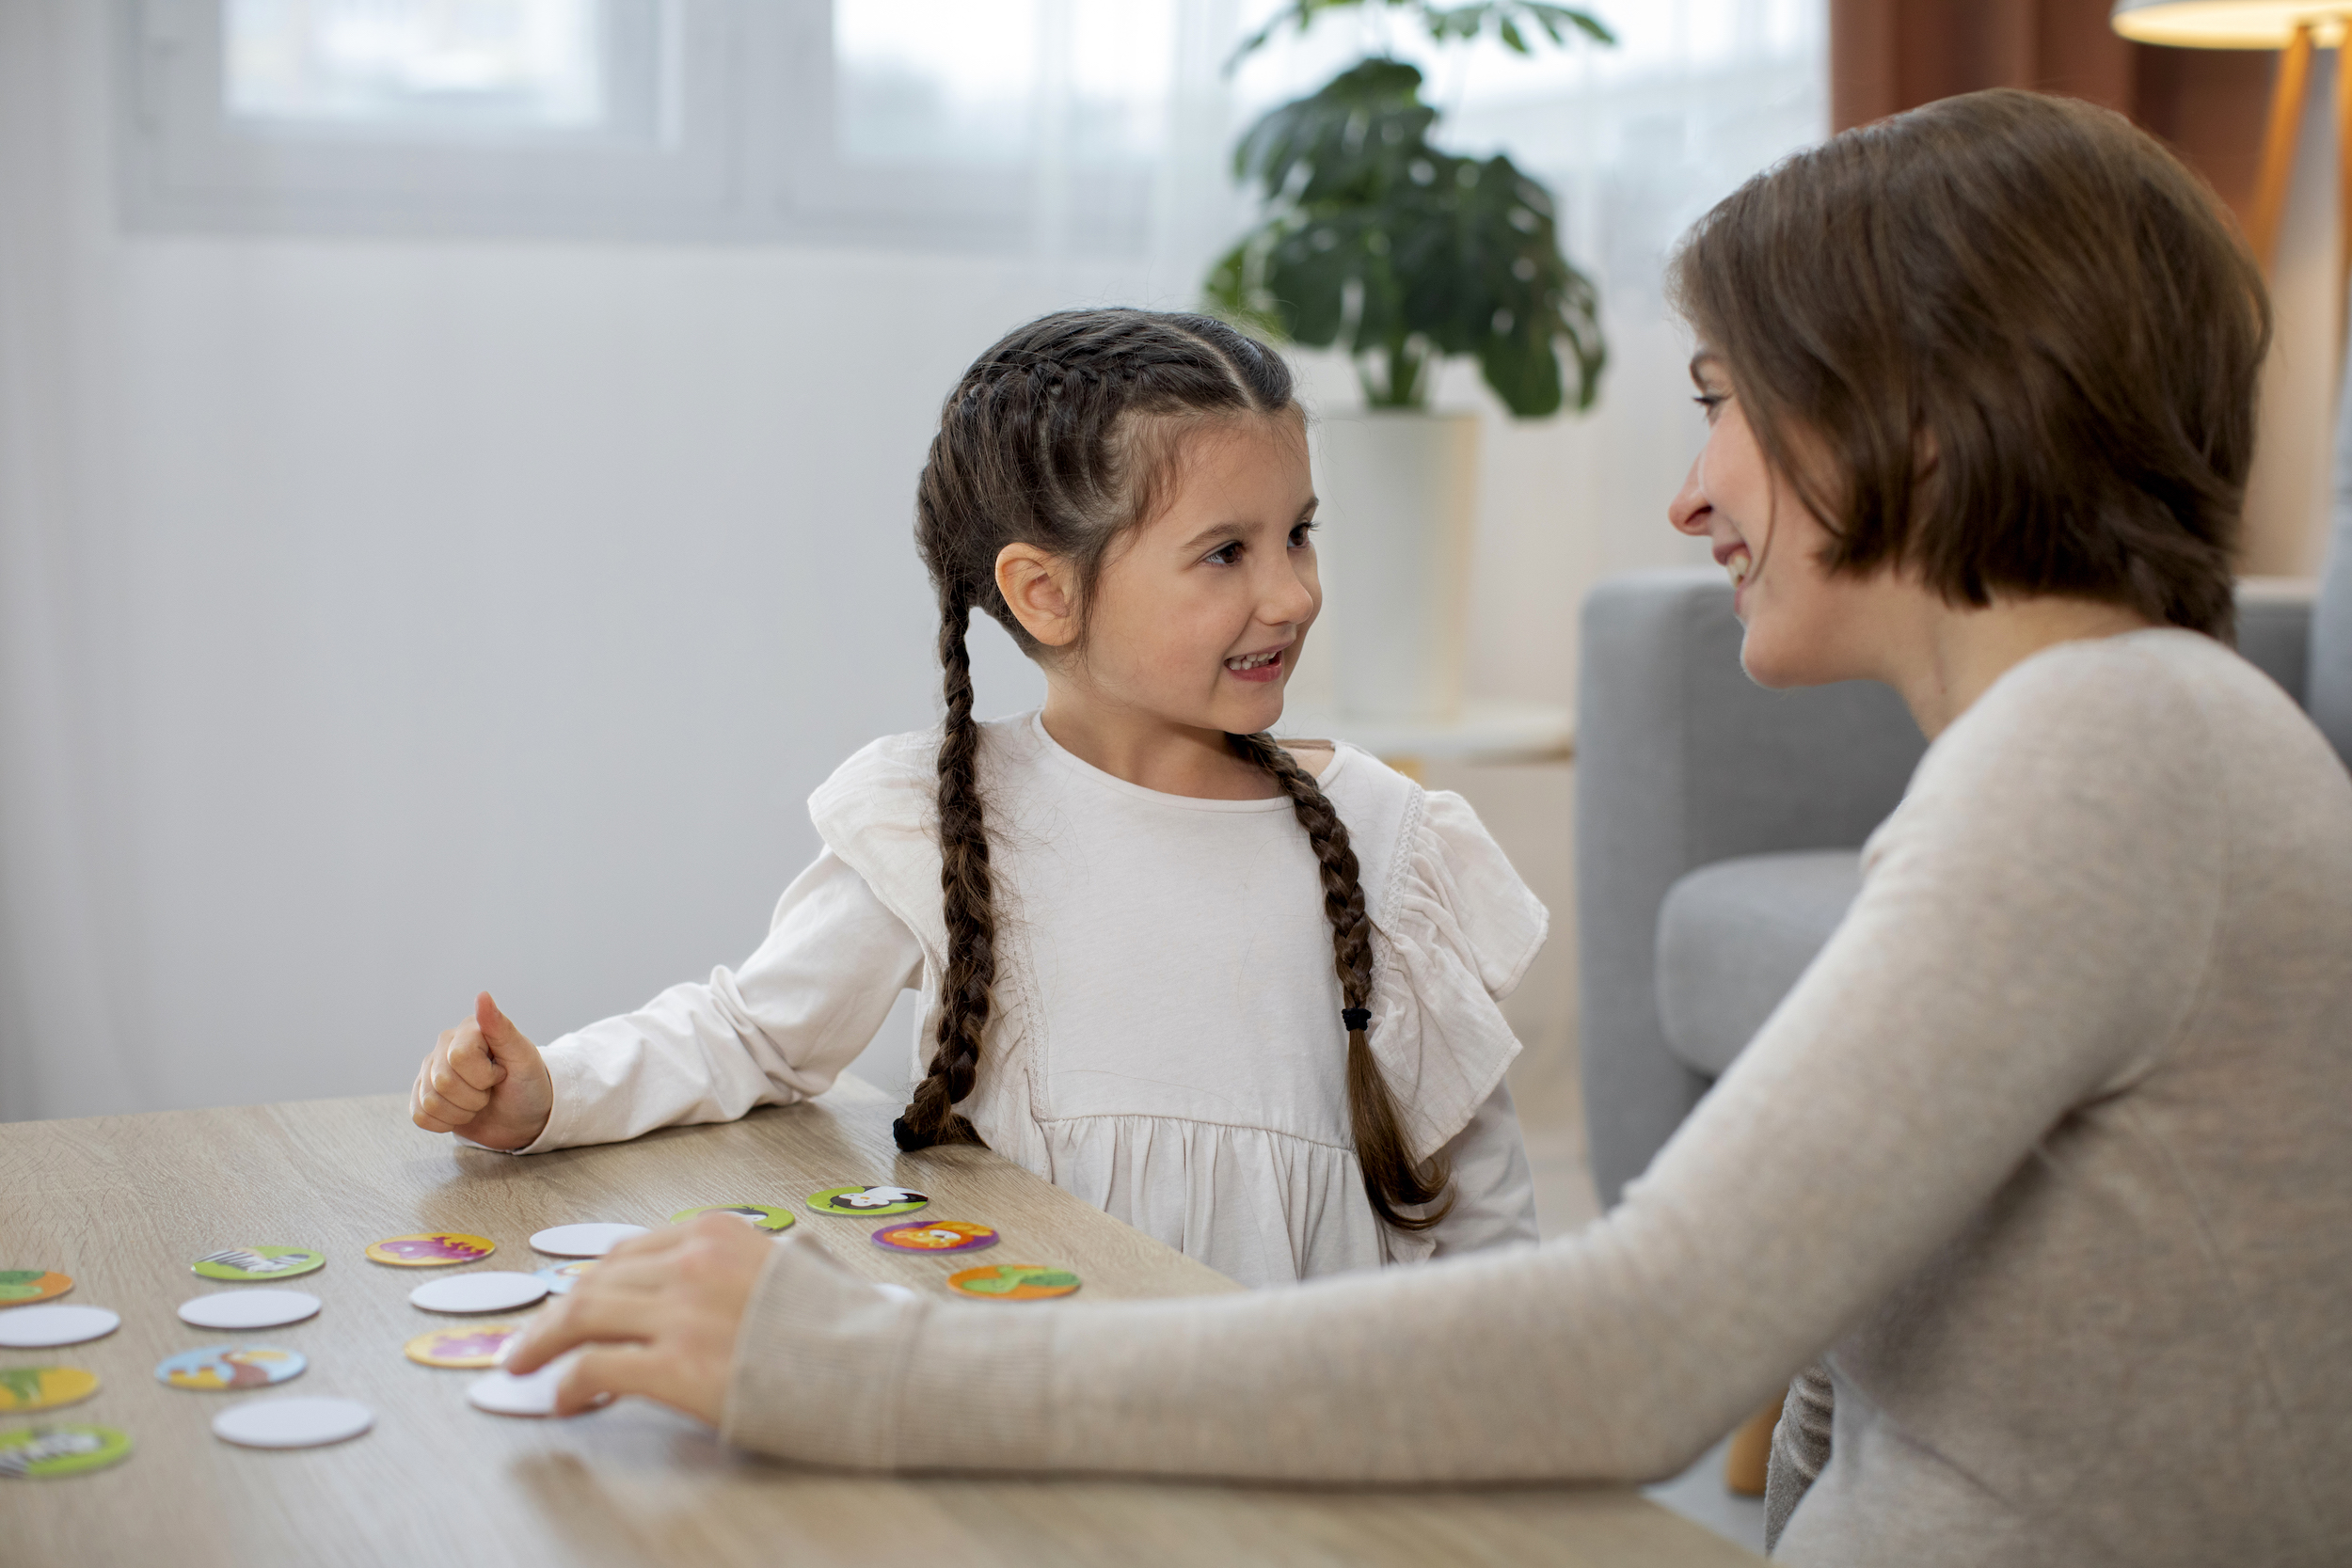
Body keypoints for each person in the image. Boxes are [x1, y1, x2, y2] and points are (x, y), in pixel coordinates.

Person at [501, 91, 2352, 1568]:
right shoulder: (2092, 749)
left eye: (1720, 403)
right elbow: (1823, 1358)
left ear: (1921, 427)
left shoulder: (2107, 758)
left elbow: (1639, 1346)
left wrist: (867, 1362)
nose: (1688, 488)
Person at [407, 309, 1546, 1290]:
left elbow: (1480, 1202)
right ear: (1043, 592)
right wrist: (549, 1092)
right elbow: (751, 1035)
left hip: (1300, 1430)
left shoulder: (1393, 838)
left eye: (1297, 534)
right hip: (1022, 1387)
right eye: (1224, 552)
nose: (1291, 591)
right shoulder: (942, 821)